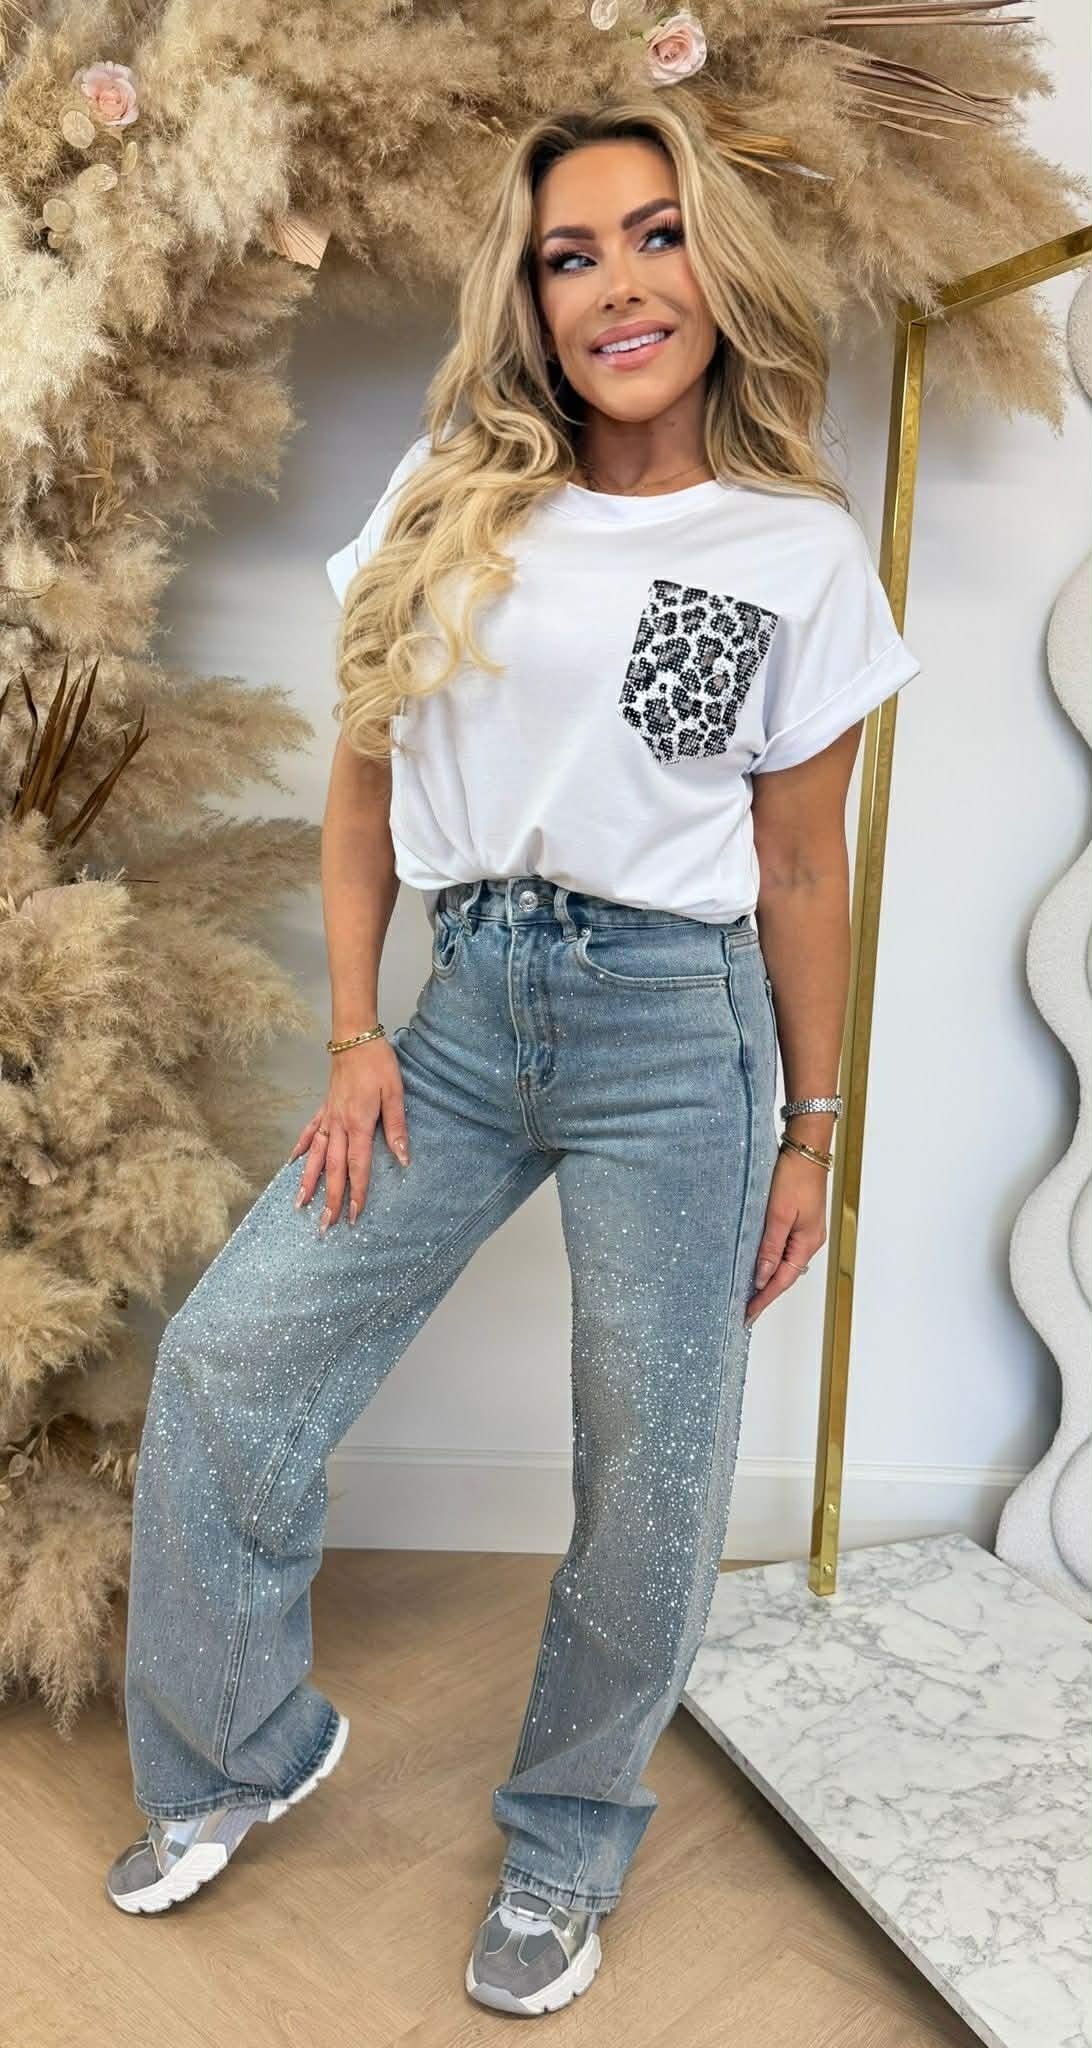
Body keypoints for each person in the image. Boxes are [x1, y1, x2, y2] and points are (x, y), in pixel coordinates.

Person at [105, 92, 920, 2020]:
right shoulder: (448, 494)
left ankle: (567, 1844)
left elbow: (802, 867)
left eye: (656, 235)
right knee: (228, 1359)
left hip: (677, 1032)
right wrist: (359, 1032)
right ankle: (237, 1747)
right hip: (464, 1014)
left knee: (651, 1467)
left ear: (714, 267)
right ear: (533, 298)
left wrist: (812, 1131)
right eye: (572, 255)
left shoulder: (795, 554)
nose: (619, 285)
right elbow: (359, 795)